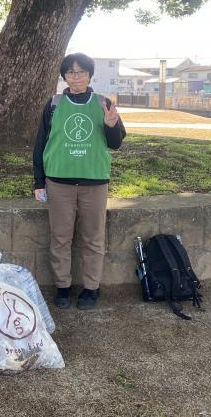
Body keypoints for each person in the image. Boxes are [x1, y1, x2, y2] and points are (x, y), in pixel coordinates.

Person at [32, 52, 125, 310]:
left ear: (90, 75)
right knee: (60, 237)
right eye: (71, 72)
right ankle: (62, 286)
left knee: (93, 238)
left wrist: (110, 125)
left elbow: (115, 143)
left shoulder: (103, 103)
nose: (76, 76)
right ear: (64, 76)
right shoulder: (53, 104)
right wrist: (39, 181)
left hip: (94, 181)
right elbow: (40, 144)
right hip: (59, 181)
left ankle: (91, 288)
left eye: (81, 71)